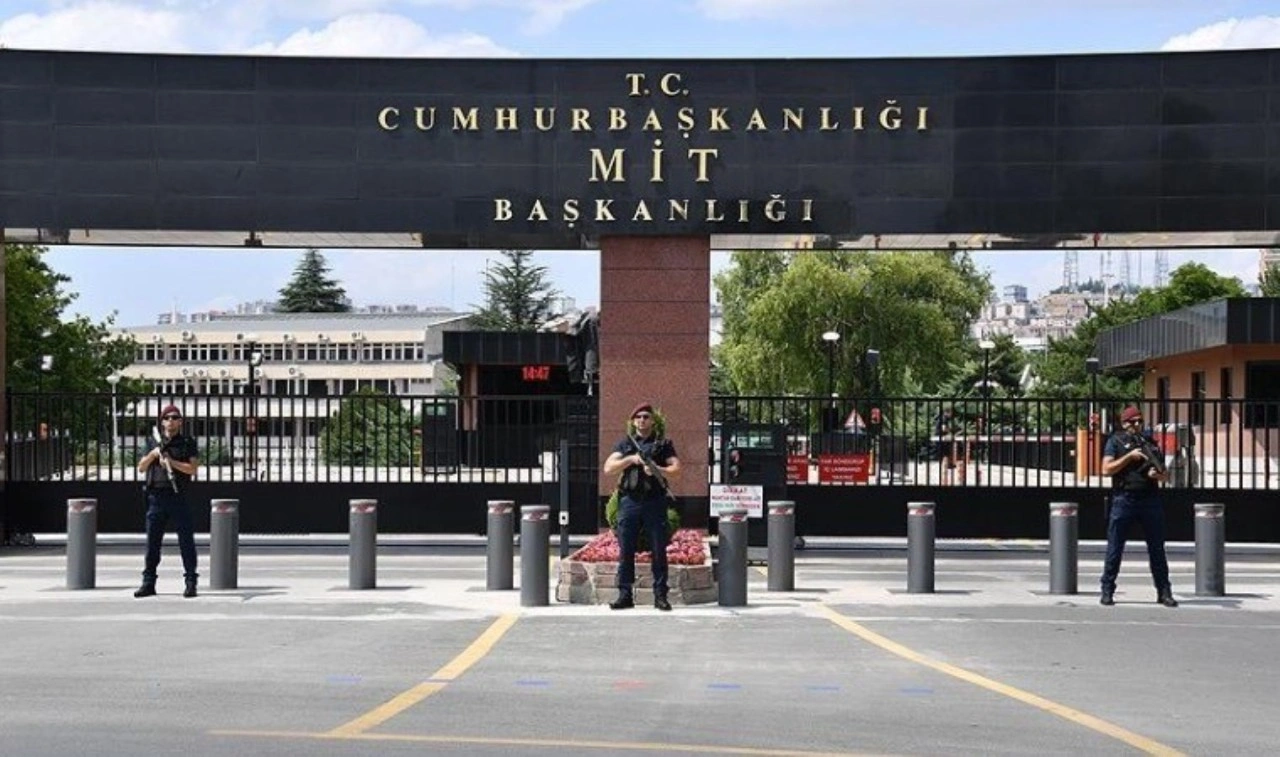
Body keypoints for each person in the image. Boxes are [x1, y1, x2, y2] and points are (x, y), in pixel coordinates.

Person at [602, 402, 681, 612]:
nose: (642, 420)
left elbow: (676, 469)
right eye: (638, 417)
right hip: (630, 502)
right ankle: (625, 595)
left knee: (658, 549)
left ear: (653, 421)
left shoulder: (663, 445)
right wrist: (631, 459)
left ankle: (660, 596)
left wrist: (657, 469)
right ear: (633, 421)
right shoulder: (625, 444)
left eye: (646, 417)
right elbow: (608, 468)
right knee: (626, 550)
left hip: (654, 501)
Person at [1099, 406, 1177, 608]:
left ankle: (1164, 591)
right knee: (1115, 547)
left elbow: (1165, 475)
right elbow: (1106, 469)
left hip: (1149, 499)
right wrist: (1129, 457)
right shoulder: (1115, 441)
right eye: (1132, 422)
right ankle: (1107, 589)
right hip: (1124, 498)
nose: (1136, 425)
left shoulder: (1150, 443)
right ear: (1124, 423)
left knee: (1157, 549)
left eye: (1139, 421)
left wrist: (1157, 474)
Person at [134, 404, 201, 599]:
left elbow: (192, 469)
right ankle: (148, 582)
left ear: (180, 422)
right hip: (156, 497)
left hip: (178, 496)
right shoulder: (152, 442)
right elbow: (141, 467)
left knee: (186, 541)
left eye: (174, 417)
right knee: (152, 543)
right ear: (162, 422)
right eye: (167, 418)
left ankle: (191, 582)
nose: (170, 421)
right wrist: (153, 454)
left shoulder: (187, 443)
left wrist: (172, 463)